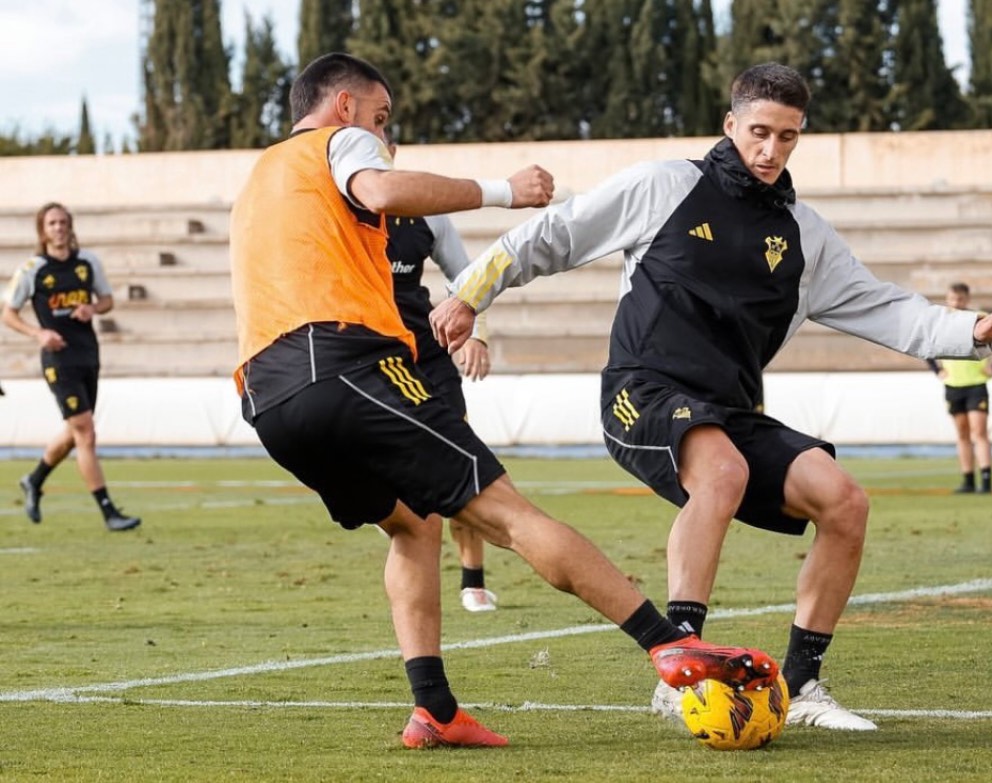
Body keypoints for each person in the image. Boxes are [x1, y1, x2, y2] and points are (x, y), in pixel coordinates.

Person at [430, 62, 992, 732]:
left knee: (844, 499)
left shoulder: (805, 234)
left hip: (731, 411)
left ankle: (801, 685)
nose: (771, 150)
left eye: (788, 137)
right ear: (730, 125)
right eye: (759, 132)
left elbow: (885, 309)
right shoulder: (665, 185)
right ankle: (680, 660)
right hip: (641, 392)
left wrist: (972, 331)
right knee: (722, 470)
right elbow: (554, 235)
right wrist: (470, 293)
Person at [229, 52, 775, 749]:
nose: (384, 133)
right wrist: (504, 190)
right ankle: (668, 644)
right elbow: (381, 189)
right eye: (381, 116)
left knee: (413, 525)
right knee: (509, 514)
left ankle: (434, 708)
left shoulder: (260, 176)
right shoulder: (340, 140)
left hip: (268, 398)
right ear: (343, 105)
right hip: (341, 364)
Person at [3, 202, 141, 532]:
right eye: (52, 223)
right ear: (43, 230)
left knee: (76, 430)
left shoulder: (88, 263)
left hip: (87, 355)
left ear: (71, 226)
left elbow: (108, 300)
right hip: (58, 359)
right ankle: (109, 512)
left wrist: (92, 308)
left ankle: (34, 481)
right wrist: (39, 333)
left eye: (63, 222)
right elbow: (8, 313)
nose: (59, 228)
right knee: (86, 432)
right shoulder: (32, 269)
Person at [385, 211, 498, 612]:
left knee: (462, 458)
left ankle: (473, 582)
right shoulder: (340, 212)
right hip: (372, 352)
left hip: (427, 354)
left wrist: (476, 337)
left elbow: (468, 276)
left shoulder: (427, 217)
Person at [927, 282, 992, 494]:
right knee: (962, 433)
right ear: (948, 299)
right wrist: (937, 370)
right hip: (953, 384)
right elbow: (926, 346)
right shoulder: (941, 322)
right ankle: (968, 480)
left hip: (976, 383)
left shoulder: (979, 318)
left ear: (967, 299)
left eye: (960, 299)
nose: (956, 303)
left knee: (979, 432)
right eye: (953, 299)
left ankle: (986, 479)